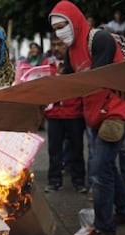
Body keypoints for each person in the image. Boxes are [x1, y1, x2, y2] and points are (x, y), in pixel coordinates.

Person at [49, 0, 125, 235]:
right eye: (55, 28)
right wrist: (39, 83)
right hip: (95, 116)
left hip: (114, 114)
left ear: (74, 20)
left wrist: (61, 83)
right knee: (108, 168)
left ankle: (105, 229)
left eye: (62, 25)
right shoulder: (71, 50)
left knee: (98, 171)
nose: (59, 32)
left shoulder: (100, 40)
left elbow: (93, 80)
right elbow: (68, 81)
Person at [42, 34, 86, 193]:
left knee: (77, 150)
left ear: (67, 46)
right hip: (54, 115)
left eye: (60, 44)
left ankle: (79, 181)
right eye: (54, 44)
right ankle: (54, 181)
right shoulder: (47, 64)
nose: (56, 48)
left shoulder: (77, 64)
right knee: (54, 151)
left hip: (74, 113)